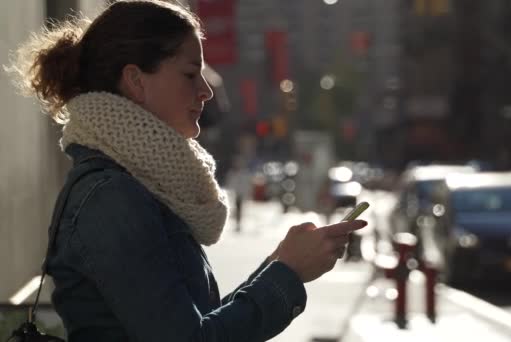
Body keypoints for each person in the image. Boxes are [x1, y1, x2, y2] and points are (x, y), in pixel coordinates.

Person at [6, 1, 367, 341]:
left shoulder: (134, 183)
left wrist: (279, 264)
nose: (206, 91)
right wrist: (287, 273)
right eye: (191, 74)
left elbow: (194, 324)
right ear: (136, 81)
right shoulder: (112, 196)